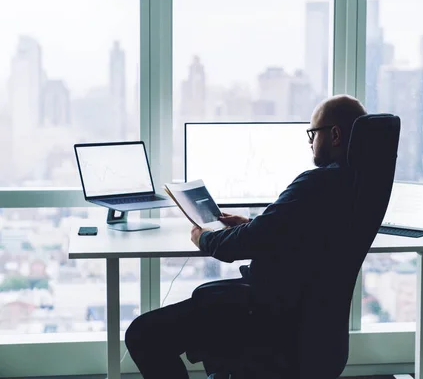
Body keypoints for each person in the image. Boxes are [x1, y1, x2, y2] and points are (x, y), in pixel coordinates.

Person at [124, 94, 368, 378]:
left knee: (143, 334)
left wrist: (204, 237)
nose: (310, 142)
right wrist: (253, 223)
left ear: (335, 134)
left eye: (313, 133)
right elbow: (301, 238)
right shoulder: (356, 185)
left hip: (269, 318)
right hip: (312, 328)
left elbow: (239, 246)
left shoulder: (317, 183)